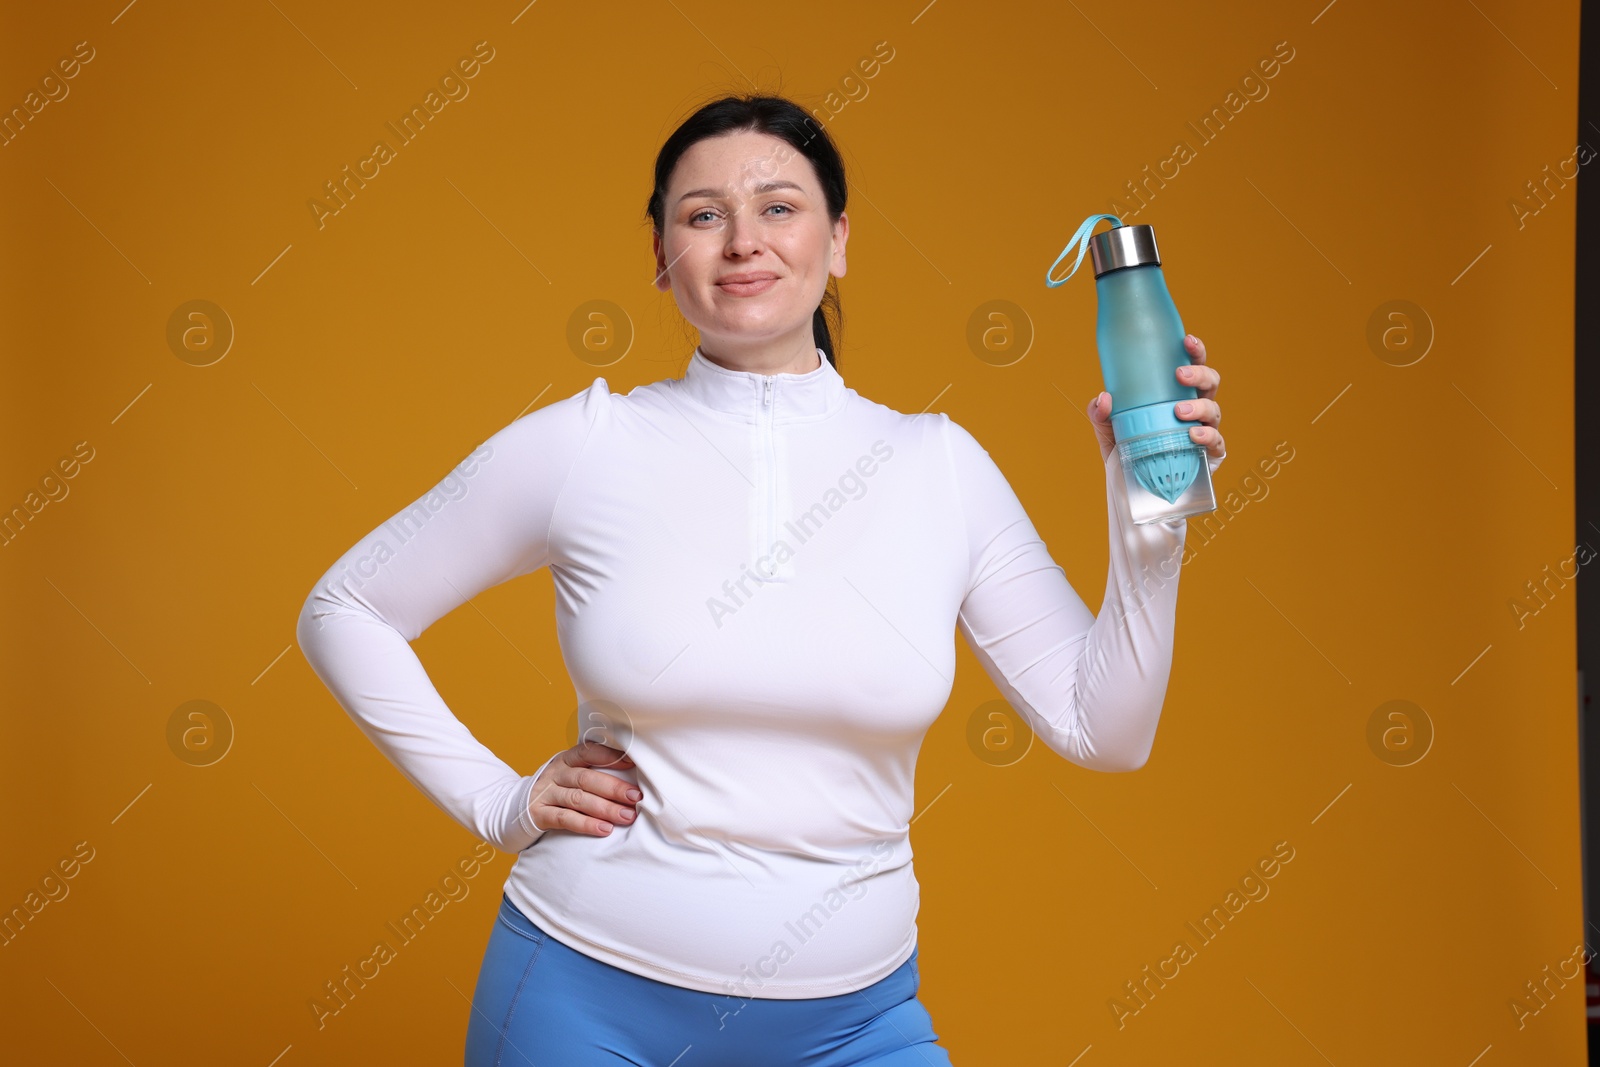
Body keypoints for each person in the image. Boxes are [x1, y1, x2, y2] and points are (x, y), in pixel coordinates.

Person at [295, 93, 1225, 1066]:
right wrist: (496, 799)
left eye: (778, 207)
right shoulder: (586, 444)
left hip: (854, 1024)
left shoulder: (936, 465)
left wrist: (1145, 514)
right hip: (583, 1001)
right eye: (703, 215)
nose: (743, 240)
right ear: (660, 256)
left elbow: (1104, 730)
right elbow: (344, 607)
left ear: (839, 242)